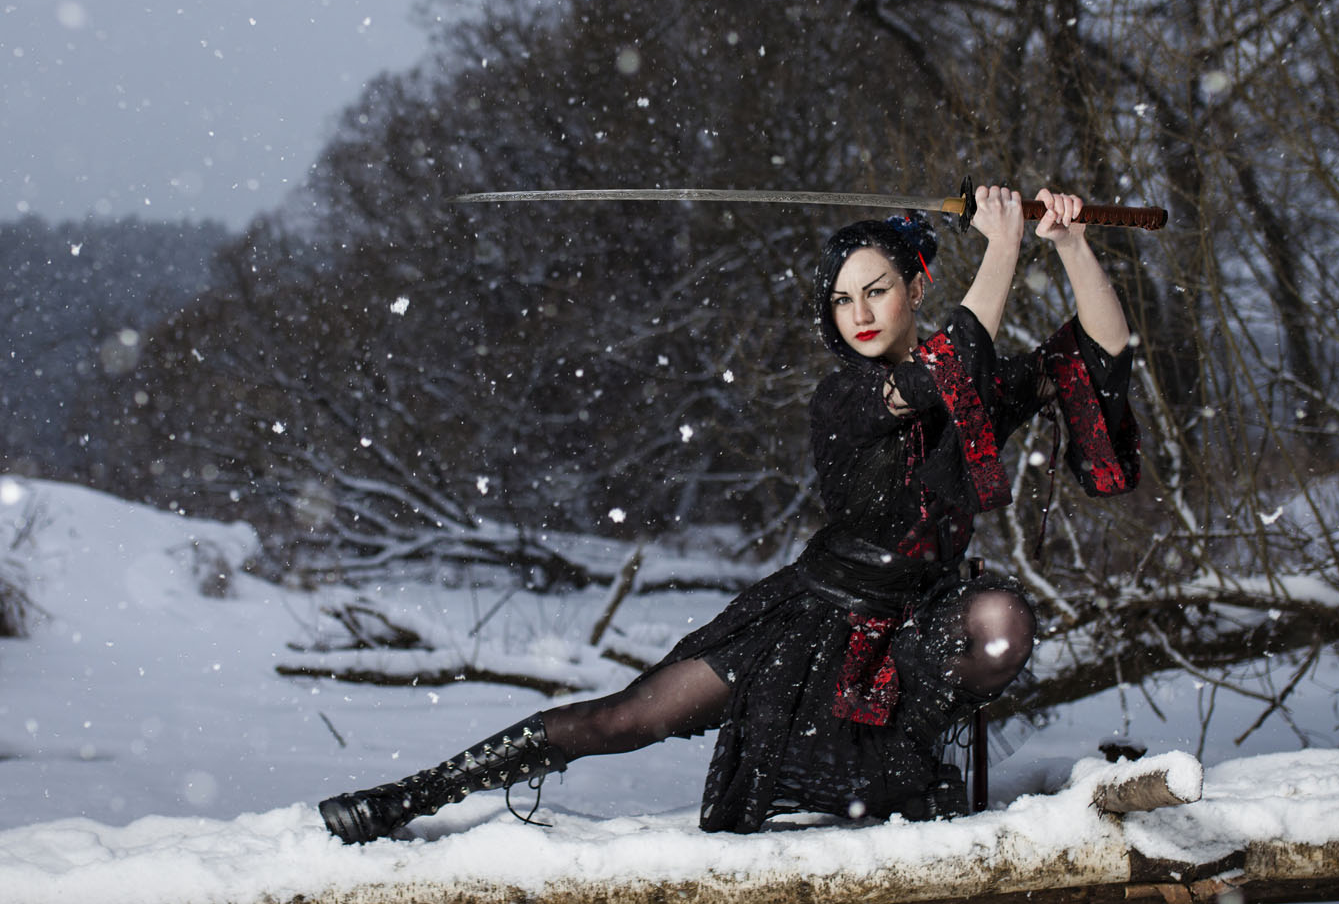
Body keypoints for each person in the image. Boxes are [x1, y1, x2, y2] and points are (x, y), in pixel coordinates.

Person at [319, 186, 1139, 843]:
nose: (859, 312)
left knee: (999, 619)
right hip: (813, 616)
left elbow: (1097, 353)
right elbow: (943, 370)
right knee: (629, 715)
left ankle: (903, 773)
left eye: (878, 289)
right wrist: (1001, 247)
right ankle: (413, 795)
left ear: (918, 286)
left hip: (919, 625)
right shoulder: (849, 396)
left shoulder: (977, 390)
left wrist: (1069, 241)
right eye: (843, 297)